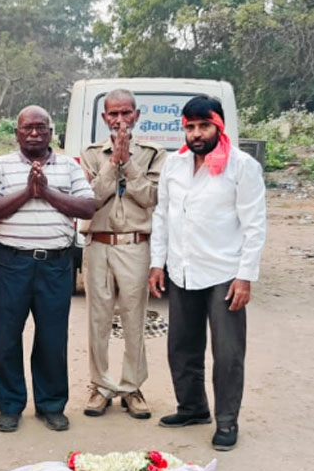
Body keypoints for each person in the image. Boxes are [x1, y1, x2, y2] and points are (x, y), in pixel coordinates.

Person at [147, 95, 266, 451]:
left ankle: (227, 421)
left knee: (227, 353)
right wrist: (157, 262)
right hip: (182, 269)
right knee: (182, 346)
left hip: (224, 273)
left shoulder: (241, 166)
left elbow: (254, 224)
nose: (197, 134)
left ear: (219, 126)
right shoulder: (175, 165)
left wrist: (245, 276)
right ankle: (192, 407)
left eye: (204, 126)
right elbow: (162, 215)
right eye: (191, 127)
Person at [0, 105, 96, 433]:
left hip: (56, 265)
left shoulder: (70, 167)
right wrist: (28, 192)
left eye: (41, 128)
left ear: (51, 132)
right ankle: (11, 405)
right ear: (16, 133)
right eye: (27, 128)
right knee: (4, 337)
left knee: (52, 338)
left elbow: (88, 205)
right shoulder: (1, 165)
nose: (34, 133)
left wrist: (46, 192)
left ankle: (51, 405)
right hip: (11, 263)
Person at [79, 89, 167, 419]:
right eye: (113, 114)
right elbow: (91, 199)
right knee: (97, 319)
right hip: (99, 243)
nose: (119, 120)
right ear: (104, 118)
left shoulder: (155, 154)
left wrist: (128, 163)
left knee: (134, 317)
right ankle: (100, 386)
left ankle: (131, 387)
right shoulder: (90, 154)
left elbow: (151, 198)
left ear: (136, 115)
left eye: (126, 113)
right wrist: (111, 162)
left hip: (134, 244)